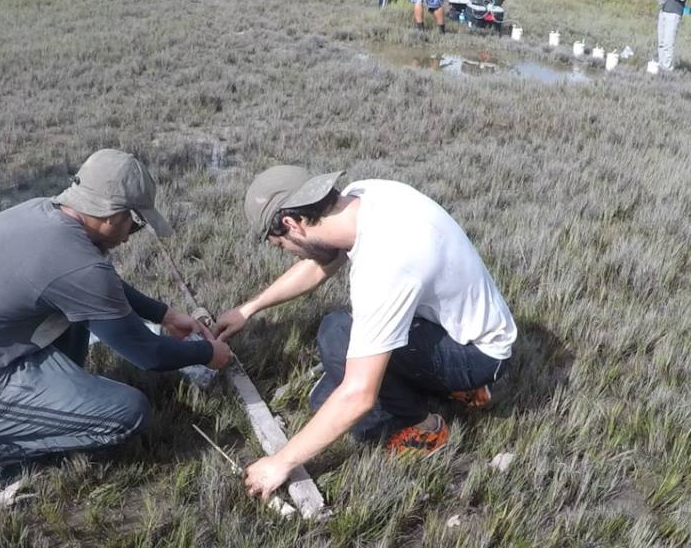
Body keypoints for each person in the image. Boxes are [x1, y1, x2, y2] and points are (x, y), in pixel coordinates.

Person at [214, 166, 516, 501]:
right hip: (459, 329)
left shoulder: (384, 265)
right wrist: (248, 309)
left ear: (291, 224)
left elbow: (359, 394)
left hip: (478, 354)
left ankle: (427, 429)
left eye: (282, 246)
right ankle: (454, 389)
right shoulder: (364, 196)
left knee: (339, 337)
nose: (289, 252)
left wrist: (280, 463)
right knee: (325, 395)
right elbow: (321, 263)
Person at [0, 149, 233, 490]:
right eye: (135, 223)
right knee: (128, 413)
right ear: (114, 216)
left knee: (78, 315)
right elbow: (149, 355)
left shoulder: (44, 212)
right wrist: (208, 355)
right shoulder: (77, 265)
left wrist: (164, 314)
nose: (129, 237)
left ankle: (40, 403)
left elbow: (96, 286)